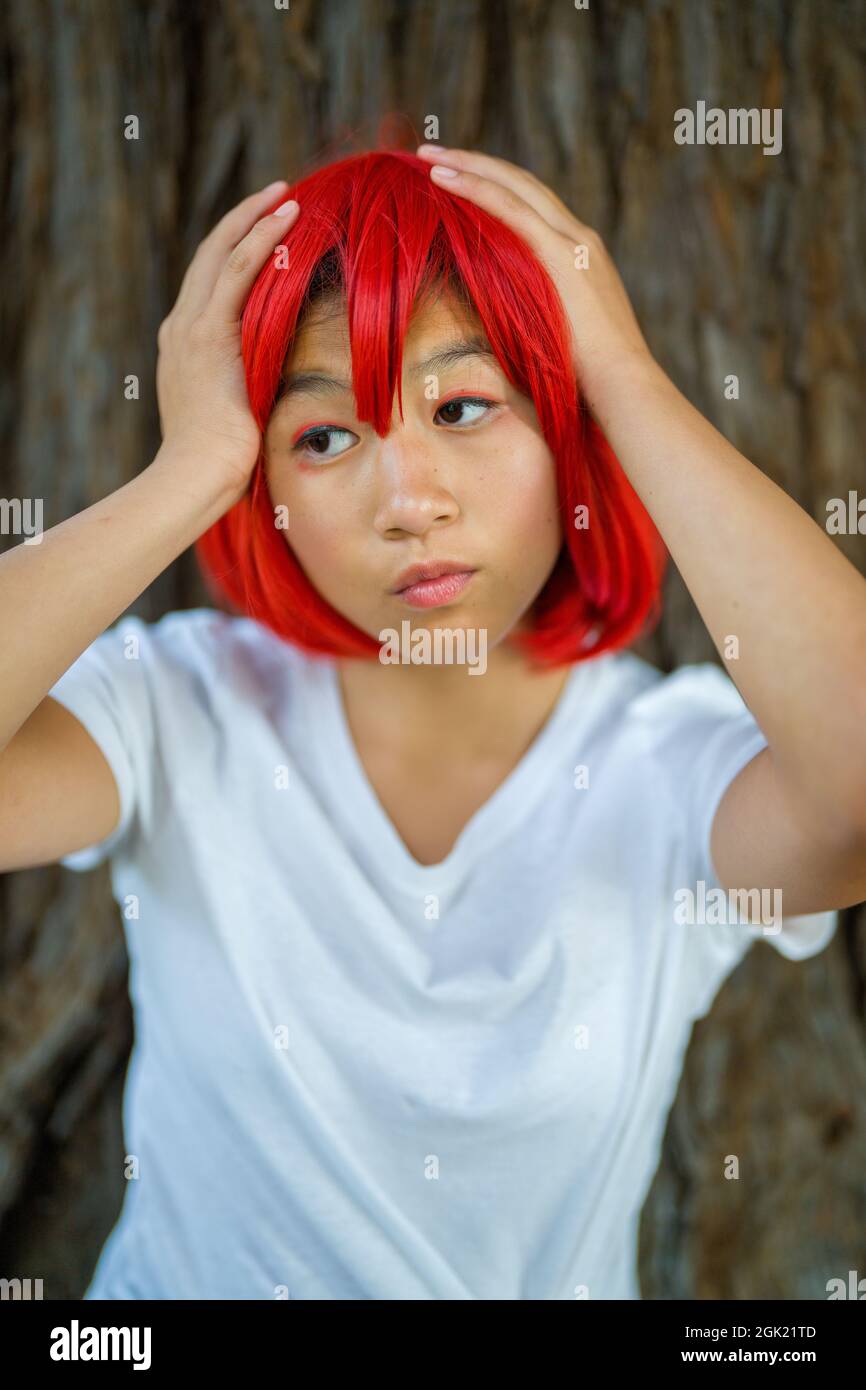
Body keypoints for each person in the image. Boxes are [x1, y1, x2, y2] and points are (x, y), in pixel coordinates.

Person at [1, 145, 863, 1301]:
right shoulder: (178, 708)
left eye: (464, 405)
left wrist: (623, 381)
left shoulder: (670, 767)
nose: (408, 503)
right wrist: (192, 466)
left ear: (567, 431)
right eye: (322, 437)